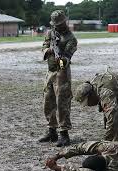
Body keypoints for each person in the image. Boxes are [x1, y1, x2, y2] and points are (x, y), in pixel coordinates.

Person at [39, 10, 78, 147]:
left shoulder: (71, 39)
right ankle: (52, 131)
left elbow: (67, 58)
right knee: (47, 102)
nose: (57, 26)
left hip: (62, 74)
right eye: (55, 24)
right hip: (50, 72)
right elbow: (44, 45)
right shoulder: (50, 33)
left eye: (59, 24)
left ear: (64, 22)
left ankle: (64, 134)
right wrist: (47, 51)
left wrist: (60, 59)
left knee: (62, 103)